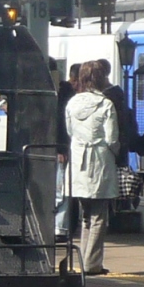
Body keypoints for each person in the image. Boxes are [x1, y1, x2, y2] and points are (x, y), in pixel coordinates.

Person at [65, 60, 119, 276]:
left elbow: (70, 131)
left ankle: (83, 258)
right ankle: (92, 263)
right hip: (99, 160)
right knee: (98, 216)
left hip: (78, 162)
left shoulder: (72, 103)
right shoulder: (106, 105)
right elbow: (112, 138)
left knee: (85, 215)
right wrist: (115, 153)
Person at [55, 62, 80, 241]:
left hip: (59, 148)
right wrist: (62, 147)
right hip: (63, 149)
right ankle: (61, 228)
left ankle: (61, 226)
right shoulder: (66, 95)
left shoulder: (59, 93)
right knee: (61, 190)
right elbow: (62, 125)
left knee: (61, 189)